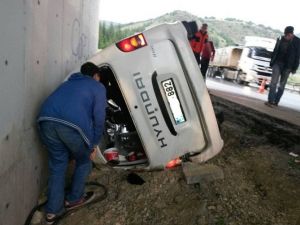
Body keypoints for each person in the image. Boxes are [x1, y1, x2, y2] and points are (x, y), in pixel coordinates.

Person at [37, 62, 107, 224]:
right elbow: (99, 119)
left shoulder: (68, 83)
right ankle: (74, 199)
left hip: (45, 121)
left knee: (58, 164)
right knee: (84, 161)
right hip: (71, 126)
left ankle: (52, 212)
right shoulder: (98, 87)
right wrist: (93, 144)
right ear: (96, 76)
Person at [265, 26, 300, 107]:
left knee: (282, 85)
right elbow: (275, 50)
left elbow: (298, 55)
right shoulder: (280, 38)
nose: (287, 37)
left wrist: (295, 68)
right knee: (273, 83)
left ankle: (276, 101)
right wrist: (271, 62)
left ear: (292, 34)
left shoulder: (297, 41)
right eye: (286, 35)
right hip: (277, 63)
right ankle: (270, 101)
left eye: (289, 35)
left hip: (288, 66)